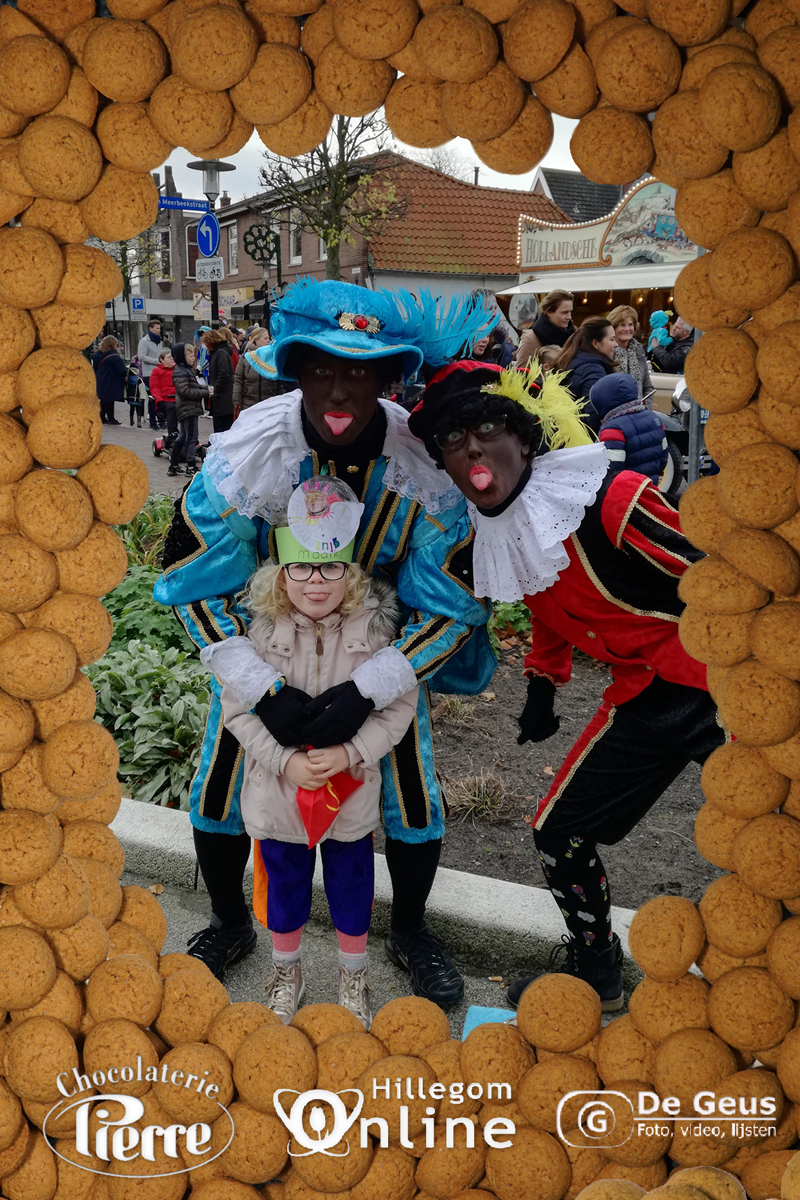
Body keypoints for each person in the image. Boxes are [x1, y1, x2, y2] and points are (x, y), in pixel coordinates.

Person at [154, 278, 497, 1001]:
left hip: (375, 652)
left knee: (411, 793)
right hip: (267, 650)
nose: (339, 391)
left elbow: (454, 605)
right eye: (320, 370)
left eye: (359, 373)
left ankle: (410, 932)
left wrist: (371, 688)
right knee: (221, 781)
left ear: (388, 378)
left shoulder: (421, 468)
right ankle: (230, 922)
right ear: (295, 372)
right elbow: (192, 584)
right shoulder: (249, 455)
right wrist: (259, 688)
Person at [408, 361, 723, 1013]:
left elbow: (724, 581)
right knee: (560, 832)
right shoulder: (498, 533)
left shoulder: (610, 498)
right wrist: (543, 687)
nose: (471, 450)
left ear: (525, 438)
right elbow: (547, 597)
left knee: (771, 841)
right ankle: (597, 971)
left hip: (721, 688)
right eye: (452, 439)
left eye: (486, 429)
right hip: (643, 698)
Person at [218, 479, 419, 1026]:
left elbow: (397, 708)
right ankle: (287, 972)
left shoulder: (374, 632)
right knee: (283, 887)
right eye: (301, 568)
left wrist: (352, 751)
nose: (315, 581)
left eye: (330, 567)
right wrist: (285, 761)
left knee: (352, 887)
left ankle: (353, 975)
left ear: (349, 573)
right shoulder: (259, 634)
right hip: (278, 795)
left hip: (349, 795)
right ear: (282, 574)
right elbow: (237, 710)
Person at [591, 374, 668, 485]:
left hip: (626, 490)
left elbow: (611, 468)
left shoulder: (612, 429)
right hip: (650, 486)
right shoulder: (654, 418)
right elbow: (664, 456)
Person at [556, 318, 618, 430]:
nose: (616, 344)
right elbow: (594, 415)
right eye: (612, 339)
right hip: (584, 437)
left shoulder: (577, 360)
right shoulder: (593, 370)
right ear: (595, 343)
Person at [167, 343, 206, 478]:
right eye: (190, 356)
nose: (194, 358)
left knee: (183, 436)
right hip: (188, 408)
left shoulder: (185, 369)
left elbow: (193, 386)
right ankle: (190, 466)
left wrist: (206, 389)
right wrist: (205, 393)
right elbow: (185, 391)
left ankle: (173, 465)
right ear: (182, 357)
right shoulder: (181, 371)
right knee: (191, 437)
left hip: (188, 408)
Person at [232, 327, 285, 416]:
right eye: (265, 338)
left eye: (269, 338)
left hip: (270, 404)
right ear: (256, 340)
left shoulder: (273, 357)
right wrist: (236, 400)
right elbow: (238, 380)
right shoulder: (246, 358)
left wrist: (282, 398)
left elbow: (279, 382)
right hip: (249, 404)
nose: (268, 341)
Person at [516, 290, 574, 368]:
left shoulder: (574, 335)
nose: (569, 317)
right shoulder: (531, 339)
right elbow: (522, 372)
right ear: (549, 312)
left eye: (570, 312)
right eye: (564, 312)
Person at [608, 305, 653, 405]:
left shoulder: (639, 350)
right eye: (622, 325)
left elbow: (648, 387)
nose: (627, 329)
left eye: (630, 325)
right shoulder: (608, 351)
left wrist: (647, 408)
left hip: (640, 409)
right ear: (613, 327)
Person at [202, 329, 235, 434]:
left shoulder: (220, 353)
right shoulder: (218, 353)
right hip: (221, 397)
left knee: (222, 427)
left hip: (223, 398)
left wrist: (215, 389)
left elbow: (223, 373)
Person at [91, 335, 125, 425]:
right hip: (111, 380)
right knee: (110, 400)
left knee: (104, 399)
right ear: (113, 345)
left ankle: (102, 417)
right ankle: (110, 418)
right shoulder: (114, 356)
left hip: (100, 379)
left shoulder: (97, 355)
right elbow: (121, 370)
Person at [137, 318, 164, 429]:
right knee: (152, 398)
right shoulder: (144, 341)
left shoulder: (159, 341)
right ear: (150, 328)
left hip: (160, 372)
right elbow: (141, 356)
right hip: (149, 373)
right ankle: (153, 422)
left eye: (159, 328)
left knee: (161, 398)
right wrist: (157, 361)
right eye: (157, 328)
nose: (159, 330)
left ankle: (161, 421)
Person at [149, 348, 177, 438]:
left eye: (172, 357)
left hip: (179, 397)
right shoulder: (156, 371)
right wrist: (159, 400)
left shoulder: (178, 369)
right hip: (166, 399)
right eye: (169, 357)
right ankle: (172, 433)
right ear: (162, 360)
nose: (172, 359)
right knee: (171, 408)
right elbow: (154, 388)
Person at [127, 356, 145, 427]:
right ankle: (138, 422)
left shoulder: (128, 379)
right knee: (138, 409)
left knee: (131, 409)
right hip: (138, 397)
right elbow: (142, 389)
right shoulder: (139, 379)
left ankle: (131, 420)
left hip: (130, 397)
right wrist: (142, 397)